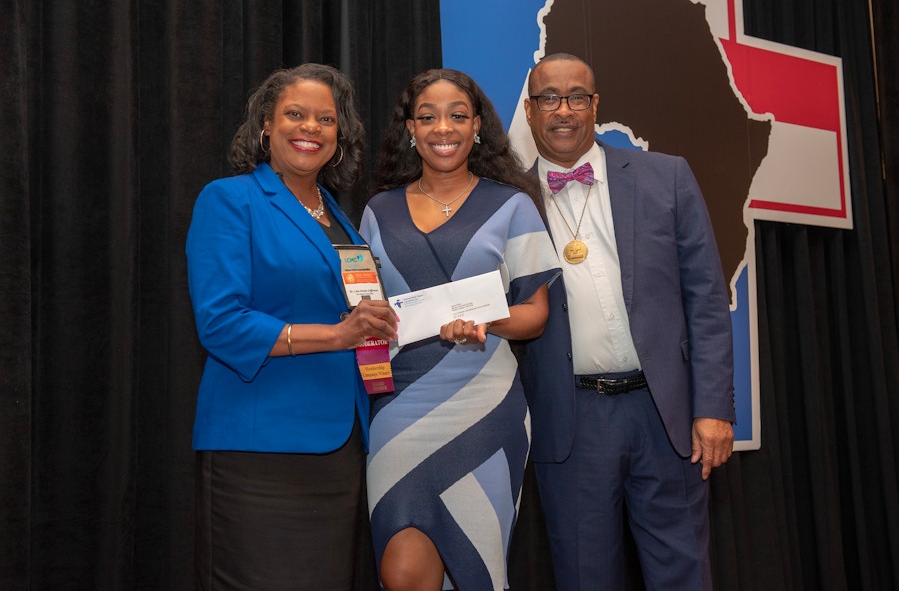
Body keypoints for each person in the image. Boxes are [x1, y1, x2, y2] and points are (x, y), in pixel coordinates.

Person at [518, 53, 736, 590]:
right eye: (549, 98)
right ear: (529, 111)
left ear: (596, 106)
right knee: (584, 577)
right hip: (570, 419)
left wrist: (712, 407)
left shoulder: (669, 177)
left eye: (576, 97)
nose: (562, 110)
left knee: (682, 571)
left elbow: (706, 298)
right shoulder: (506, 202)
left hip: (665, 415)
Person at [185, 63, 398, 590]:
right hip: (260, 450)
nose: (310, 128)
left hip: (340, 447)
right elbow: (221, 324)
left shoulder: (338, 217)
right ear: (265, 125)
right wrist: (337, 336)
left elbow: (352, 314)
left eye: (326, 119)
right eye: (295, 114)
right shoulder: (230, 199)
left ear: (339, 137)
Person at [360, 68, 561, 591]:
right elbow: (367, 311)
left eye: (456, 116)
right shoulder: (377, 212)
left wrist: (484, 322)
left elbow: (535, 315)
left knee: (476, 568)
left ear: (477, 127)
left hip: (486, 407)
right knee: (401, 573)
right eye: (427, 117)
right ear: (410, 129)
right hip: (399, 409)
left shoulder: (514, 206)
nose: (441, 128)